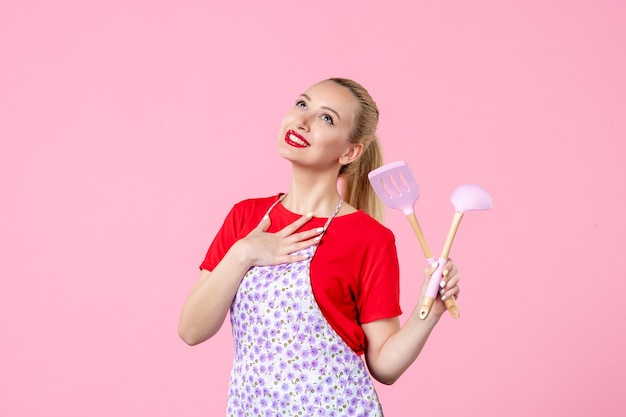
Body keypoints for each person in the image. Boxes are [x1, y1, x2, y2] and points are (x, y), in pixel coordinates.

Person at [178, 77, 461, 416]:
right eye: (302, 104)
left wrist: (427, 313)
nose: (302, 121)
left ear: (350, 151)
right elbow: (191, 330)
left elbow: (385, 366)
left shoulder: (369, 238)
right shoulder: (246, 217)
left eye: (326, 118)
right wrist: (244, 252)